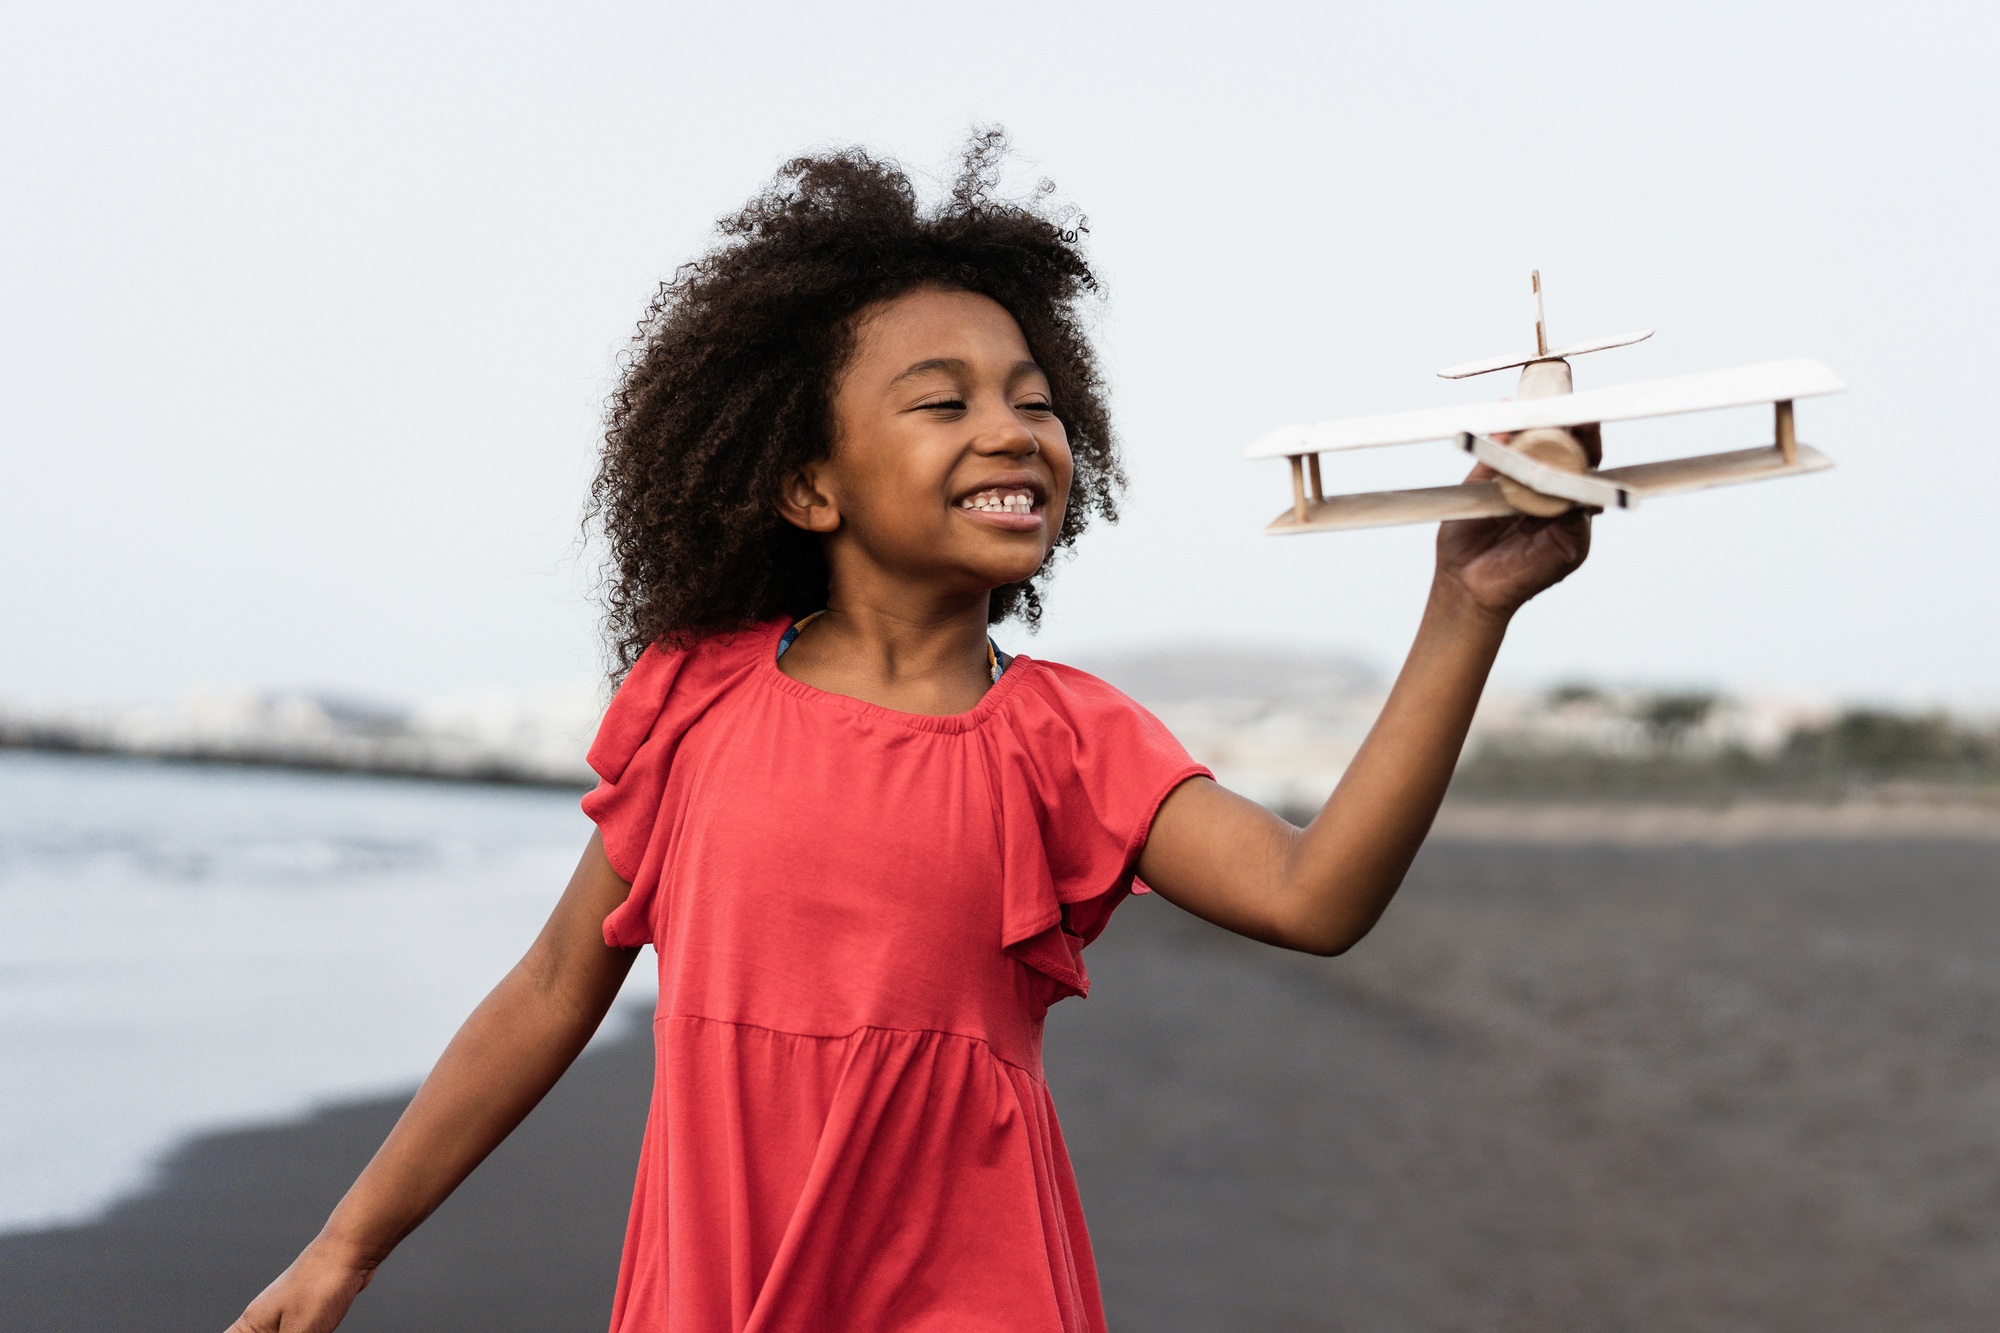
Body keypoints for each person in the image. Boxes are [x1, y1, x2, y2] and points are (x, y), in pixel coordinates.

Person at [228, 132, 1590, 1333]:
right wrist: (348, 1244)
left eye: (1036, 399)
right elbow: (548, 992)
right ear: (808, 482)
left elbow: (1315, 895)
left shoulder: (1063, 737)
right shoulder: (695, 697)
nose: (1014, 429)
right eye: (944, 401)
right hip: (717, 1291)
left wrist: (1464, 606)